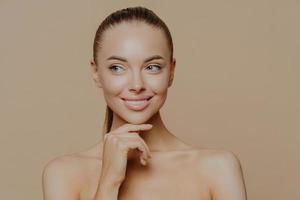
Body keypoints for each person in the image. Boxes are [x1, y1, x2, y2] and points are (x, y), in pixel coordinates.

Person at [42, 6, 247, 200]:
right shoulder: (63, 173)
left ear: (171, 71)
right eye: (117, 68)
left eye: (152, 67)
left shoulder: (218, 168)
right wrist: (108, 182)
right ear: (96, 73)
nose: (137, 85)